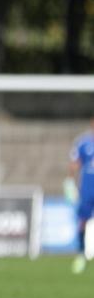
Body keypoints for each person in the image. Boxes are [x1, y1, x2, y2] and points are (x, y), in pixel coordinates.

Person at [68, 117, 94, 274]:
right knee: (82, 221)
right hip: (87, 190)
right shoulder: (83, 143)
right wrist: (70, 183)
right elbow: (74, 164)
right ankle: (80, 254)